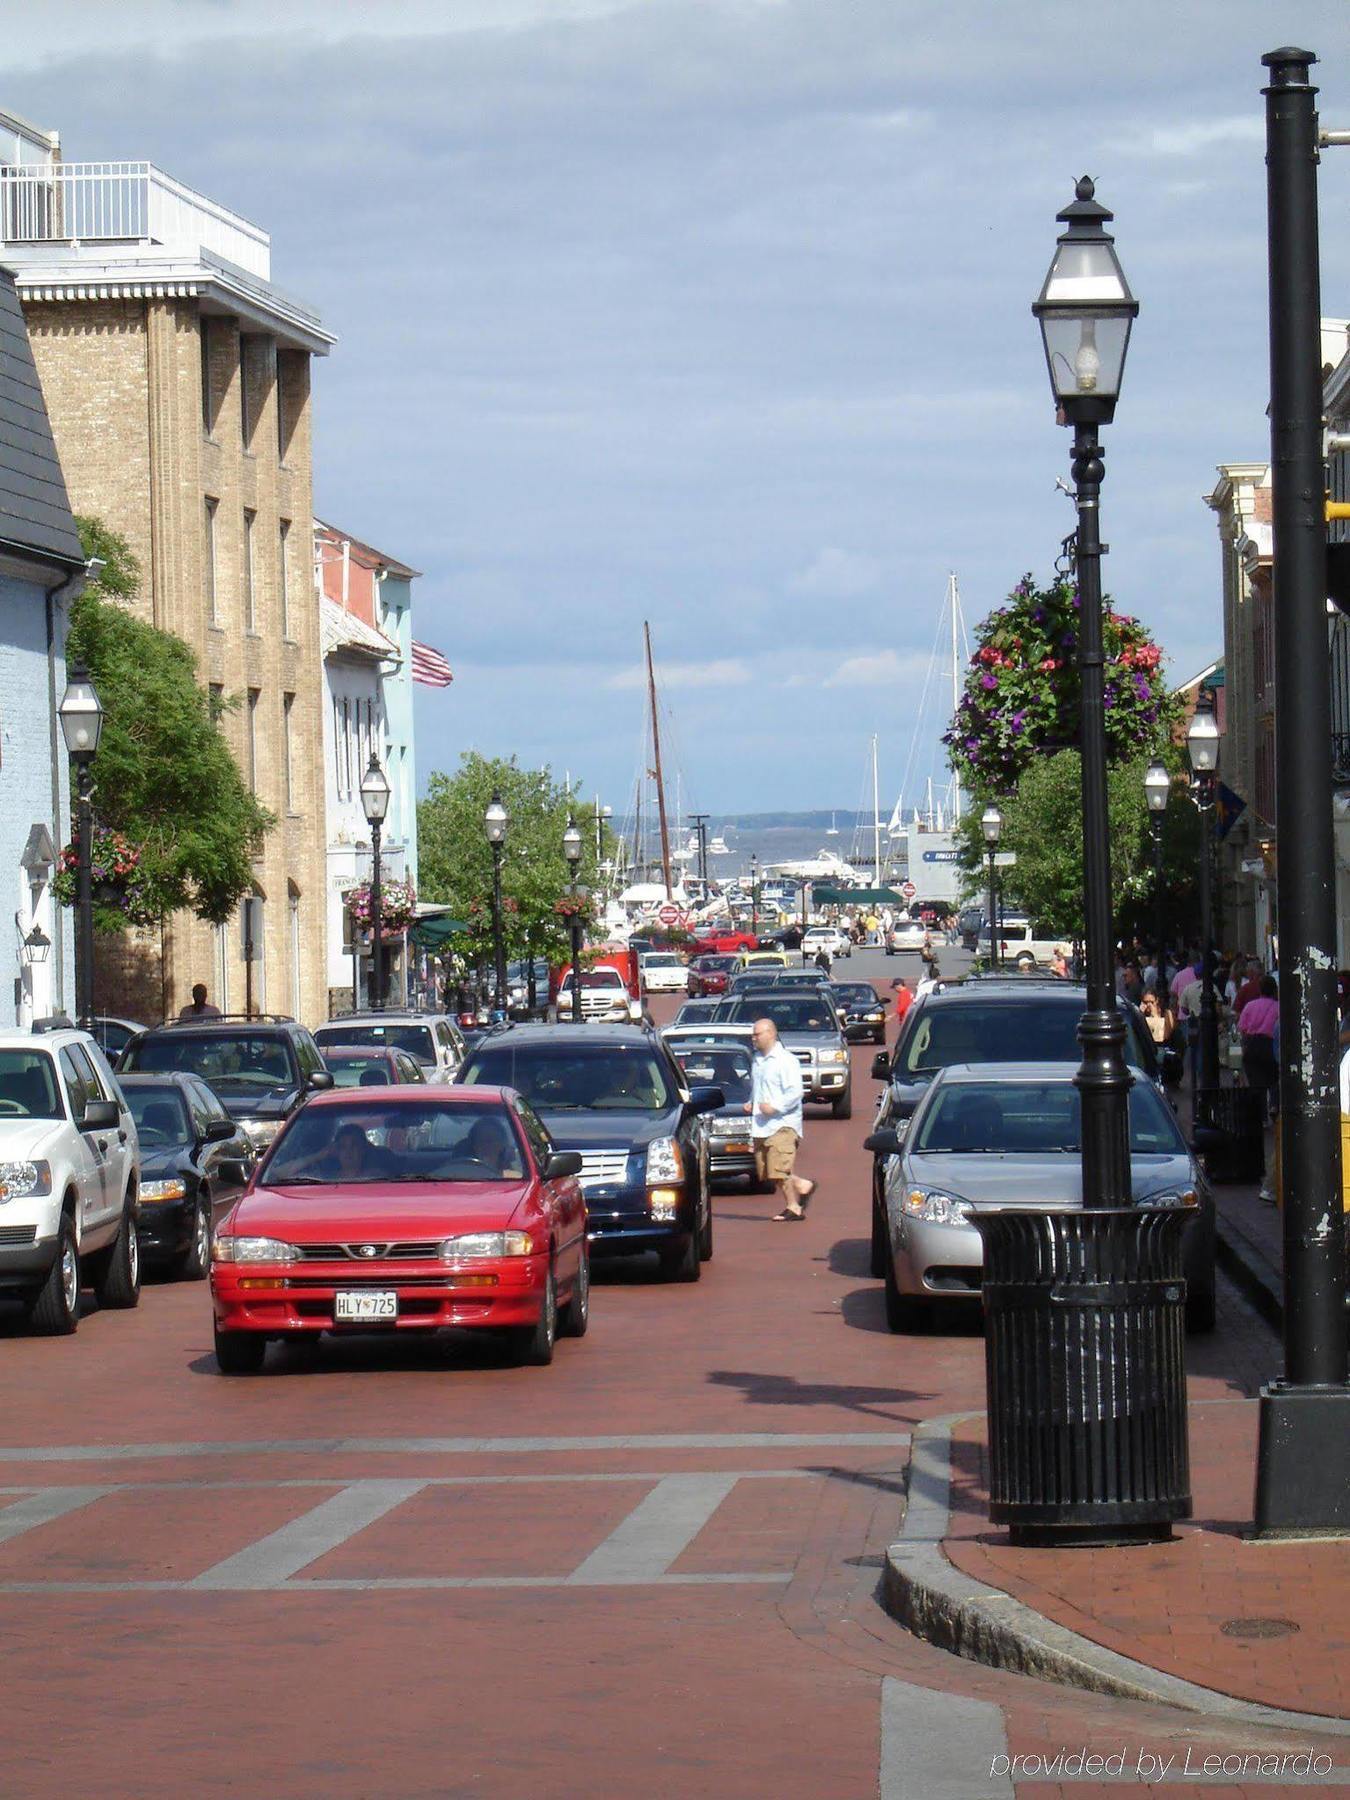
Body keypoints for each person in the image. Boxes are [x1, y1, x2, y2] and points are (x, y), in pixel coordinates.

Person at [747, 1016, 815, 1221]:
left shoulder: (786, 1060)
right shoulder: (757, 1060)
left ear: (771, 1033)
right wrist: (751, 1102)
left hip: (783, 1124)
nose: (753, 1038)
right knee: (767, 1172)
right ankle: (802, 1185)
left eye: (757, 1034)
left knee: (778, 1169)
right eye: (752, 1035)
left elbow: (795, 1092)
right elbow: (758, 1088)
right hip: (760, 1124)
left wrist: (775, 1108)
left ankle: (793, 1207)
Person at [1238, 975, 1279, 1115]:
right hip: (1270, 1044)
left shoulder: (1250, 1006)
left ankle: (1260, 1114)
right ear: (1274, 990)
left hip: (1252, 1043)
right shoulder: (1278, 1007)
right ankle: (1274, 1105)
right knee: (1273, 1077)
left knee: (1255, 1082)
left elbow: (1242, 1028)